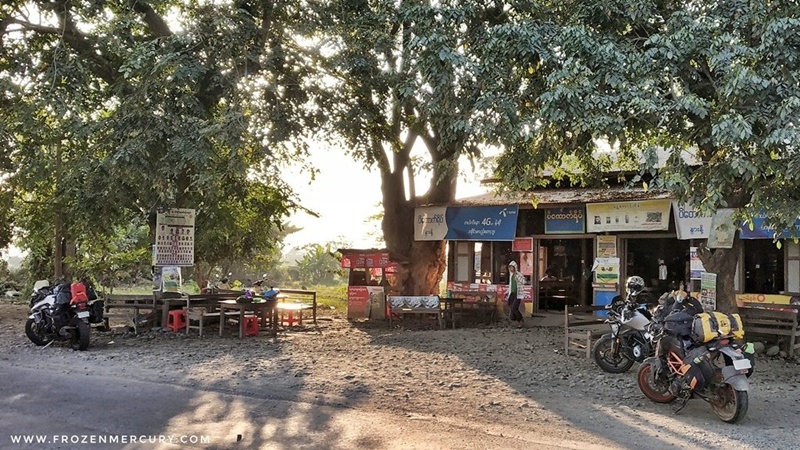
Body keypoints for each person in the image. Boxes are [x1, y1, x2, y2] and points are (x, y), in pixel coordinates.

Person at [506, 261, 526, 327]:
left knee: (514, 308)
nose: (510, 269)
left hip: (518, 294)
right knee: (511, 307)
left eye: (511, 267)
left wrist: (517, 277)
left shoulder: (518, 274)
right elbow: (511, 285)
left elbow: (524, 281)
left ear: (515, 268)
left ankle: (520, 320)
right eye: (509, 267)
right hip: (512, 294)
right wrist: (507, 292)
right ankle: (516, 319)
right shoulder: (510, 276)